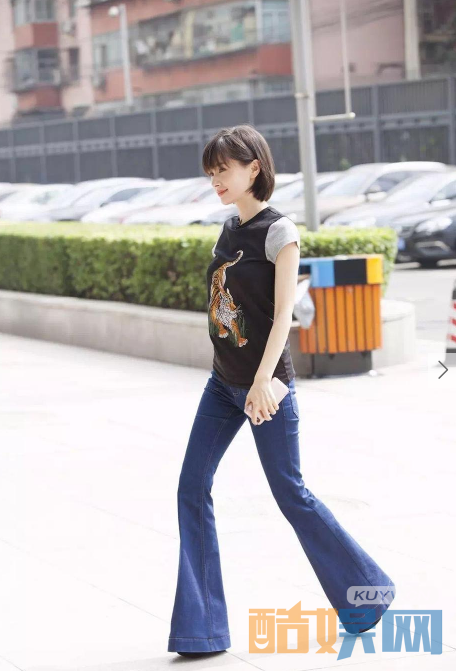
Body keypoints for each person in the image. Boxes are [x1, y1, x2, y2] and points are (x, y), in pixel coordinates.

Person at [167, 124, 395, 658]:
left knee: (291, 493)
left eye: (224, 169)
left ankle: (367, 593)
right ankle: (201, 630)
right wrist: (236, 375)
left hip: (267, 387)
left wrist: (263, 381)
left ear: (254, 167)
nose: (216, 179)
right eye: (211, 171)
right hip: (222, 384)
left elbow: (283, 314)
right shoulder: (228, 229)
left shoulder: (279, 231)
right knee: (190, 487)